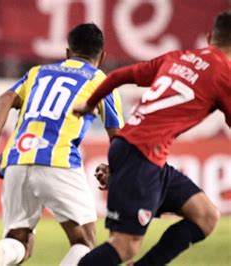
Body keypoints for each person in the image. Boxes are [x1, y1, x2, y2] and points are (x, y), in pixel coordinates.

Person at [73, 10, 231, 266]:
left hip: (140, 152)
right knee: (124, 247)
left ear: (210, 36)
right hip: (142, 155)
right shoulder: (225, 74)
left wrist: (90, 104)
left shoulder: (179, 58)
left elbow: (117, 76)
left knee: (205, 215)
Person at [0, 23, 124, 265]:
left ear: (67, 53)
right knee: (84, 241)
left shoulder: (38, 72)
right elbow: (117, 135)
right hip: (59, 160)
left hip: (16, 160)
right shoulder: (101, 81)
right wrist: (116, 168)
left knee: (19, 240)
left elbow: (5, 98)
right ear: (103, 56)